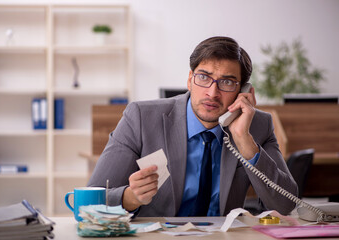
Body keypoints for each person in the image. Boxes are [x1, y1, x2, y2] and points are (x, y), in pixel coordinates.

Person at [88, 36, 297, 217]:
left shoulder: (258, 125)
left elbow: (286, 205)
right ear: (190, 79)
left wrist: (243, 139)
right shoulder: (141, 118)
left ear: (243, 90)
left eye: (227, 82)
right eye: (204, 77)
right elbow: (90, 201)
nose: (212, 93)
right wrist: (130, 198)